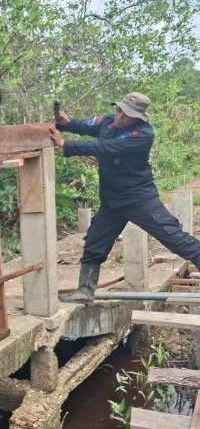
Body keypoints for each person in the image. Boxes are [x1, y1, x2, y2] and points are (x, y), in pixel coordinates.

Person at [50, 92, 200, 303]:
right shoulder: (108, 122)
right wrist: (67, 123)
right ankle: (85, 291)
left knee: (175, 238)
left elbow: (106, 148)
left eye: (126, 114)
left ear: (139, 117)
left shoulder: (142, 134)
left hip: (139, 198)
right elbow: (85, 126)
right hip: (112, 201)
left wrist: (66, 144)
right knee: (94, 243)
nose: (120, 116)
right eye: (119, 110)